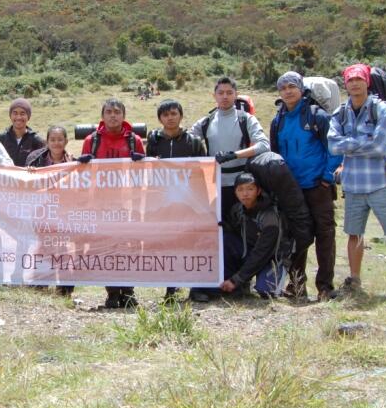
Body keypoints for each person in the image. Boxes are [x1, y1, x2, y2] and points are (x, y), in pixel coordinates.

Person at [328, 63, 386, 299]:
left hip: (382, 182)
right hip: (354, 184)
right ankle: (354, 281)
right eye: (350, 79)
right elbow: (333, 145)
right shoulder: (340, 113)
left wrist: (351, 144)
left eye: (359, 79)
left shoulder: (382, 110)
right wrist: (363, 143)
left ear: (367, 82)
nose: (355, 83)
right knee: (354, 234)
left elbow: (382, 145)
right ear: (345, 84)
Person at [270, 72, 343, 301]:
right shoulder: (277, 121)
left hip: (318, 187)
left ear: (301, 88)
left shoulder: (318, 116)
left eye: (292, 86)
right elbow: (276, 154)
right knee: (297, 237)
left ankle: (325, 287)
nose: (288, 91)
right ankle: (296, 285)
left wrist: (327, 178)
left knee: (324, 235)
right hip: (292, 189)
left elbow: (334, 148)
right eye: (283, 88)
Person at [79, 98, 146, 309]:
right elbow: (83, 175)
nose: (113, 115)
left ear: (124, 116)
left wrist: (141, 163)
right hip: (101, 204)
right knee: (105, 246)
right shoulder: (92, 140)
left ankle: (128, 292)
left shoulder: (135, 140)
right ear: (102, 115)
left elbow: (145, 174)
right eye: (109, 111)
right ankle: (112, 292)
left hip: (128, 204)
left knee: (129, 245)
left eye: (117, 111)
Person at [146, 99, 206, 303]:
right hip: (163, 203)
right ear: (160, 118)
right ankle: (171, 288)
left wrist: (202, 203)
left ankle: (197, 288)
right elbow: (149, 170)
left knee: (191, 243)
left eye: (174, 113)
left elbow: (202, 172)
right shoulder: (153, 139)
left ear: (180, 115)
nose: (170, 118)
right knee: (168, 244)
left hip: (188, 202)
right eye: (165, 115)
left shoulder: (194, 141)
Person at [190, 77, 271, 221]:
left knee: (242, 227)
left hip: (242, 186)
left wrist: (234, 155)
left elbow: (264, 145)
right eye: (220, 93)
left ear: (236, 94)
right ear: (214, 96)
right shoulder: (206, 122)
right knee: (220, 227)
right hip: (215, 186)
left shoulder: (246, 119)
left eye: (229, 92)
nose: (225, 96)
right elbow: (185, 140)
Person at [221, 173, 292, 298]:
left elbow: (262, 252)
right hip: (249, 252)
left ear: (258, 191)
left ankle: (239, 282)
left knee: (266, 292)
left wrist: (236, 279)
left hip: (272, 257)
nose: (245, 194)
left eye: (250, 189)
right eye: (240, 190)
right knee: (225, 240)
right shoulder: (237, 211)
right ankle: (236, 284)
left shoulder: (269, 216)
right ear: (235, 192)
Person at [27, 125, 76, 296]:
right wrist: (30, 174)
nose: (56, 143)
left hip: (64, 214)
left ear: (66, 141)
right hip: (42, 213)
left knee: (63, 250)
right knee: (43, 248)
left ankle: (64, 289)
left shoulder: (74, 163)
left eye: (60, 139)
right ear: (47, 142)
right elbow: (27, 185)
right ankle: (40, 286)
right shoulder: (35, 161)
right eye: (52, 140)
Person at [0, 98, 46, 167]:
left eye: (22, 113)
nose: (18, 117)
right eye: (15, 113)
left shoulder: (37, 141)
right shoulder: (0, 139)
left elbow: (46, 162)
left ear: (28, 116)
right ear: (10, 116)